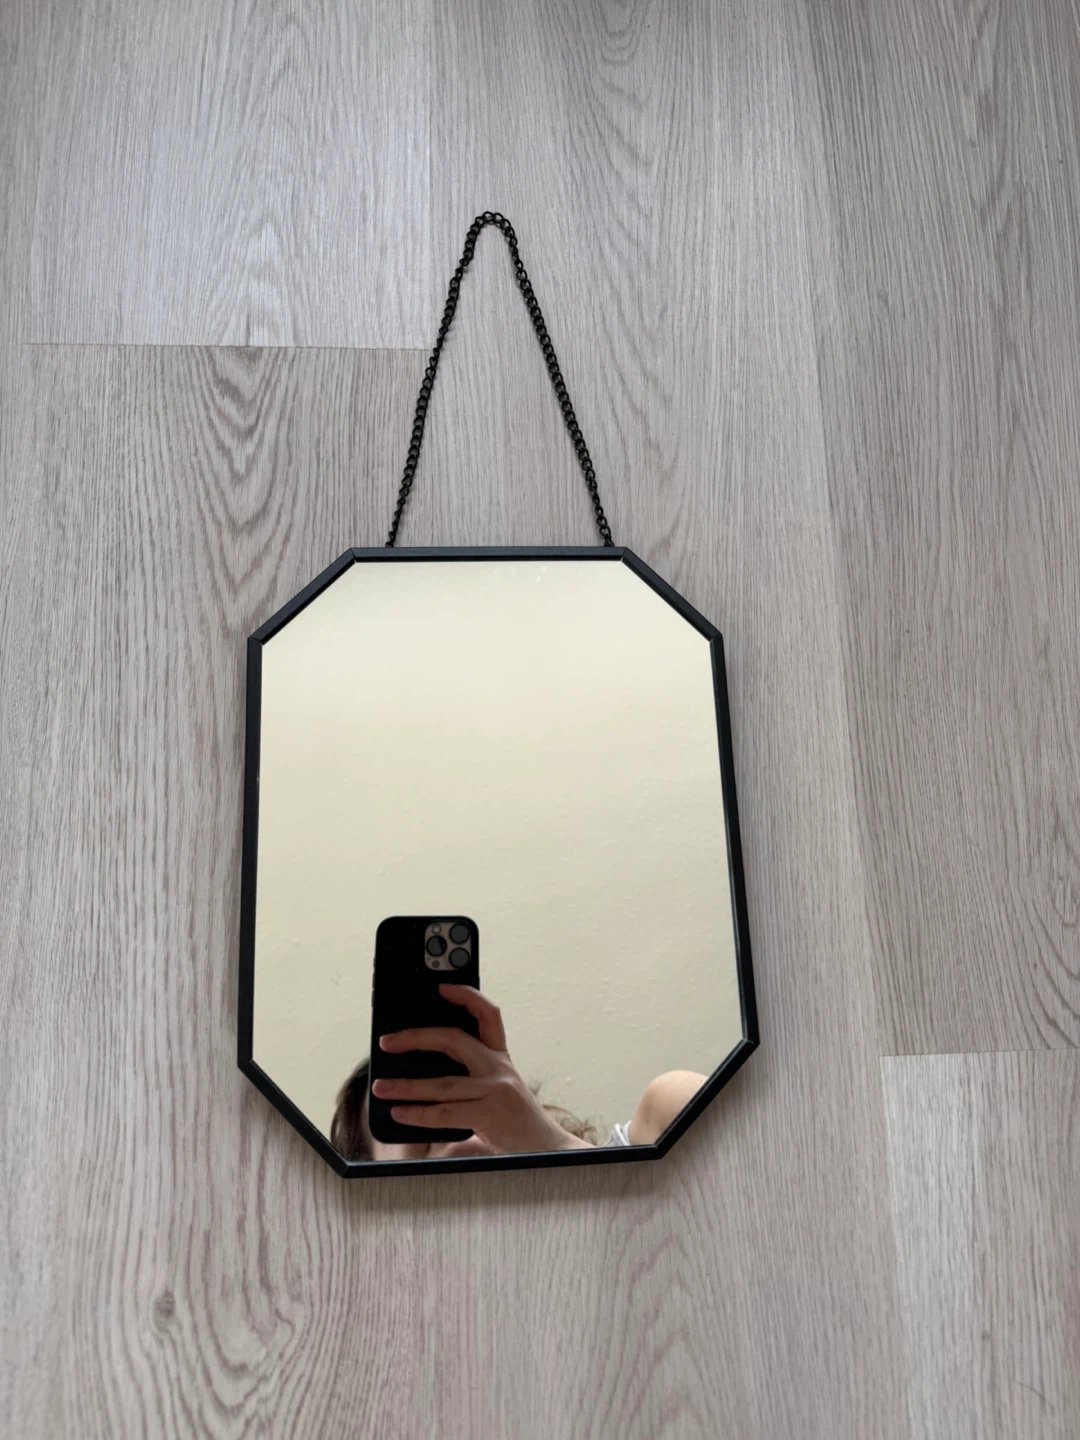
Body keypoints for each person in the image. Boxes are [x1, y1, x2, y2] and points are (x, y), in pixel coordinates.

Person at [330, 982, 706, 1162]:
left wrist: (553, 1147)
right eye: (424, 1133)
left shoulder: (665, 1124)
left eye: (471, 1103)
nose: (461, 1136)